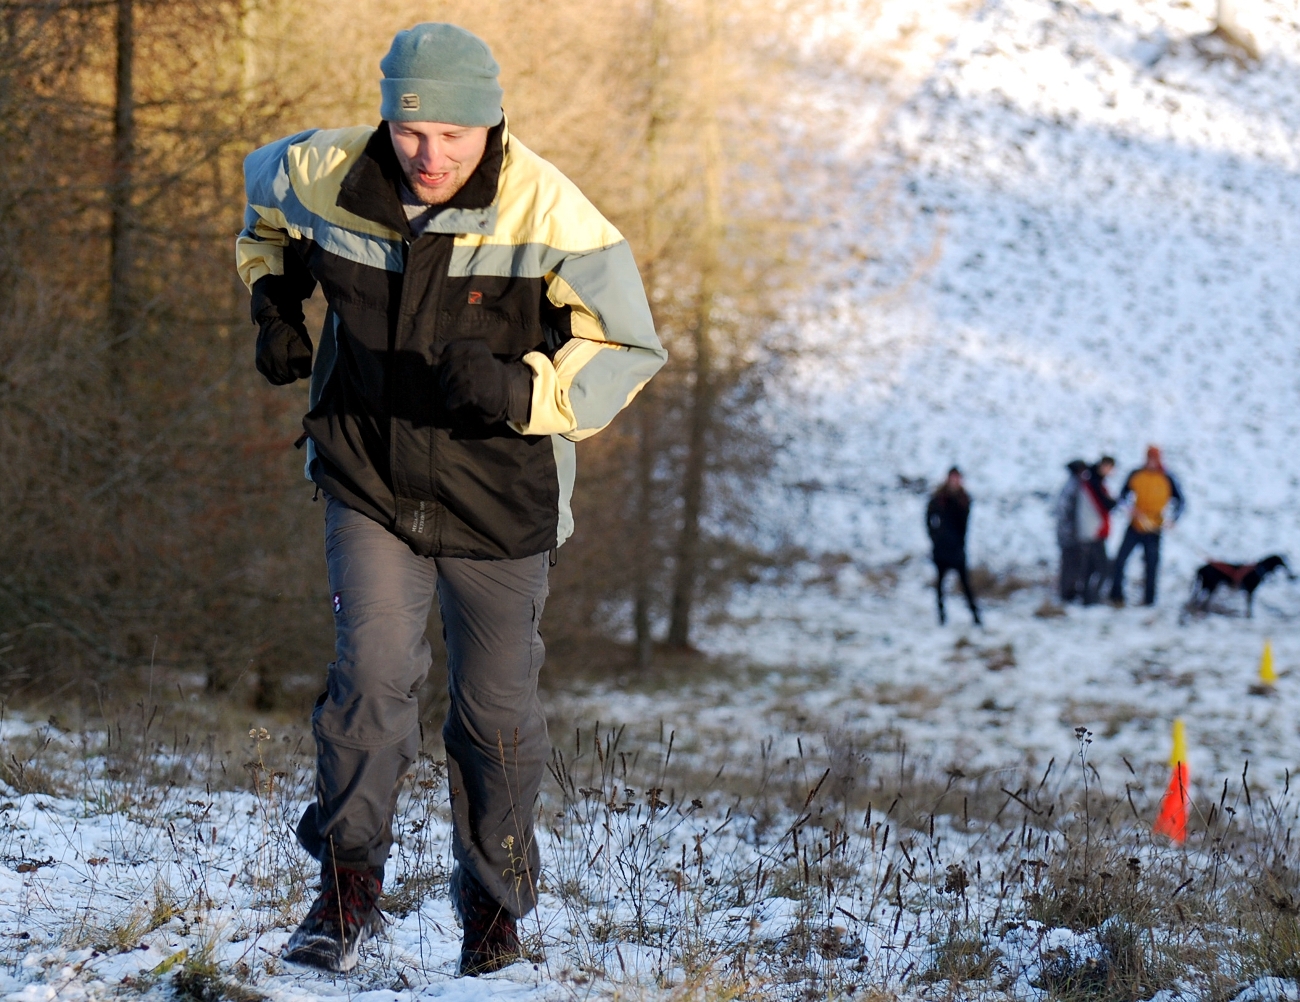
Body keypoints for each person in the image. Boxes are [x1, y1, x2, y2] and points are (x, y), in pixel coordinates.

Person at [235, 24, 666, 976]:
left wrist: (526, 393)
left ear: (493, 120)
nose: (430, 156)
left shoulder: (551, 212)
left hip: (499, 505)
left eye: (456, 136)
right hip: (369, 480)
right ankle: (347, 894)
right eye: (410, 130)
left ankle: (494, 913)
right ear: (387, 112)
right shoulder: (321, 170)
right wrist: (274, 304)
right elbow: (259, 215)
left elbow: (630, 347)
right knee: (373, 683)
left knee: (496, 716)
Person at [1109, 446, 1184, 606]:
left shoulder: (1167, 477)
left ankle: (1149, 601)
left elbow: (1181, 501)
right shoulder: (1136, 474)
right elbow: (1122, 497)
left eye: (1155, 458)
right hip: (1135, 525)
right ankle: (1116, 596)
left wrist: (1173, 519)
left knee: (1151, 565)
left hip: (1154, 528)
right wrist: (1130, 509)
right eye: (1149, 458)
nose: (1151, 461)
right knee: (1120, 560)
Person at [926, 467, 981, 626]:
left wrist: (961, 543)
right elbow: (928, 517)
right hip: (941, 549)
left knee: (965, 585)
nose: (955, 481)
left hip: (957, 549)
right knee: (940, 586)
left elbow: (965, 525)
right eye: (953, 478)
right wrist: (934, 537)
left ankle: (976, 617)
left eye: (957, 478)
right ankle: (942, 617)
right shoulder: (939, 497)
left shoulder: (964, 499)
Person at [1076, 456, 1116, 605]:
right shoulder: (1094, 482)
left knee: (1091, 567)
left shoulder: (1092, 481)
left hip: (1092, 531)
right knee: (1102, 568)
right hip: (1094, 531)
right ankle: (1092, 598)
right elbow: (1105, 504)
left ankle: (1087, 597)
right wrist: (1113, 501)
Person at [1053, 459, 1088, 602]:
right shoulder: (1073, 486)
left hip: (1069, 532)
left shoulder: (1073, 485)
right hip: (1069, 534)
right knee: (1069, 563)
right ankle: (1066, 593)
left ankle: (1069, 591)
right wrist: (1070, 530)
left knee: (1072, 563)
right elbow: (1064, 511)